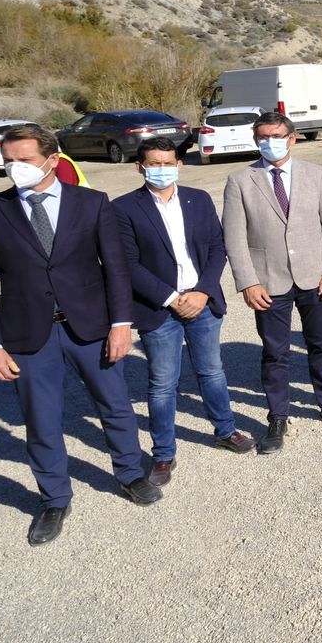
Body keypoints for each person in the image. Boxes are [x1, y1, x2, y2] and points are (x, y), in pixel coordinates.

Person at [0, 124, 159, 545]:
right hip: (27, 335)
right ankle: (54, 498)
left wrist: (122, 323)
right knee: (41, 421)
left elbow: (116, 270)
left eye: (25, 160)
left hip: (90, 327)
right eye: (9, 160)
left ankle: (129, 473)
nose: (15, 168)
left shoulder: (92, 204)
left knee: (115, 406)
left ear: (53, 160)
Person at [113, 137, 254, 487]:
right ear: (139, 167)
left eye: (168, 162)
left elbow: (216, 247)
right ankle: (163, 453)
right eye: (153, 163)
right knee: (163, 383)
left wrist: (204, 291)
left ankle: (226, 430)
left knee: (212, 372)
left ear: (179, 164)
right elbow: (127, 264)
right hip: (159, 308)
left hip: (202, 302)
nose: (161, 169)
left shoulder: (198, 199)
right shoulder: (124, 208)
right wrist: (173, 298)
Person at [222, 111, 322, 453]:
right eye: (263, 137)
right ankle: (277, 415)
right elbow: (234, 238)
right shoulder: (240, 180)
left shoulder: (316, 174)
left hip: (314, 276)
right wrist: (247, 282)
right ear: (256, 140)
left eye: (276, 136)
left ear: (292, 138)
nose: (270, 142)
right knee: (275, 352)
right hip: (268, 281)